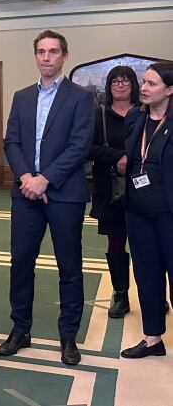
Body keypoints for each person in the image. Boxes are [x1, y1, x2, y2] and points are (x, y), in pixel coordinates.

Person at [0, 30, 93, 366]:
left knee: (69, 267)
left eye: (53, 51)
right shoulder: (21, 96)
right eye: (41, 51)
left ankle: (68, 336)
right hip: (25, 194)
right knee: (21, 264)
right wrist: (27, 177)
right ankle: (20, 329)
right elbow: (11, 142)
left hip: (63, 194)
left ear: (64, 56)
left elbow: (79, 146)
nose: (46, 57)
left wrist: (46, 179)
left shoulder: (81, 97)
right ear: (35, 56)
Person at [120, 61, 173, 359]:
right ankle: (153, 339)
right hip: (138, 214)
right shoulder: (134, 119)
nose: (144, 88)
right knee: (147, 277)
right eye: (144, 82)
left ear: (170, 90)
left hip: (169, 216)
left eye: (151, 83)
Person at [87, 66, 140, 319]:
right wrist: (118, 156)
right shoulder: (99, 116)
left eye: (125, 80)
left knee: (145, 245)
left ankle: (151, 294)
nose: (120, 85)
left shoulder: (145, 113)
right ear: (108, 87)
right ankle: (121, 294)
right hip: (109, 189)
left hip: (144, 189)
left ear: (134, 85)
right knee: (116, 240)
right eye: (115, 81)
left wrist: (131, 160)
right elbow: (87, 148)